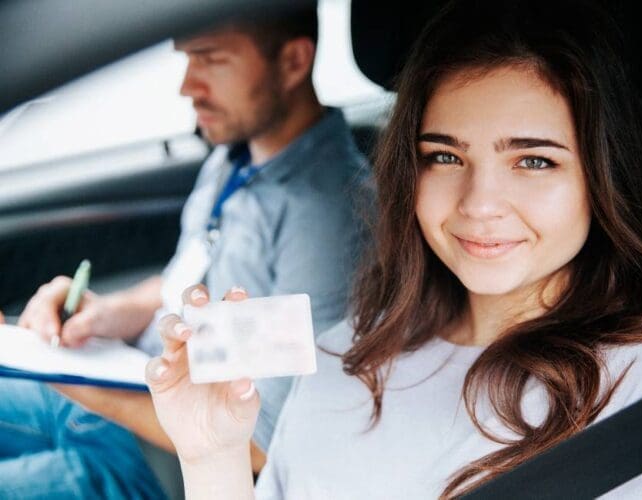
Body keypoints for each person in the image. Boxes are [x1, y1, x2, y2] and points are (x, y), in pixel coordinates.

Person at [147, 0, 642, 498]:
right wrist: (212, 456)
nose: (479, 203)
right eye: (445, 157)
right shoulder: (343, 354)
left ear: (600, 175)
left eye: (533, 160)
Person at [0, 5, 369, 499]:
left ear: (294, 62)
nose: (187, 86)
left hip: (161, 464)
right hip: (125, 398)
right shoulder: (237, 154)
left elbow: (265, 445)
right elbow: (183, 284)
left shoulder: (327, 220)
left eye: (211, 60)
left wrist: (82, 385)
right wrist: (107, 313)